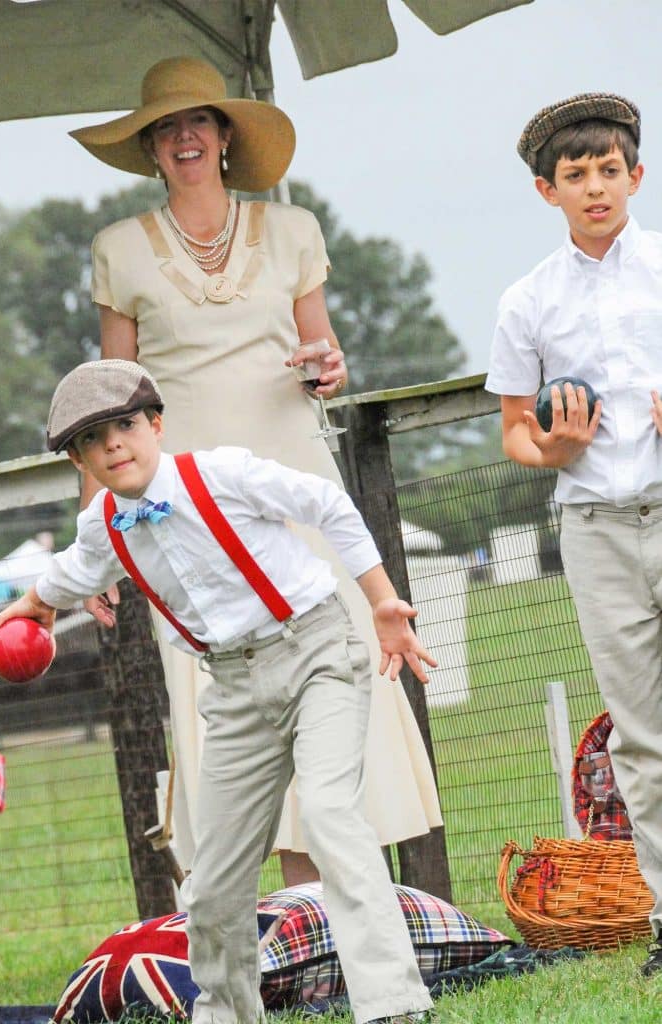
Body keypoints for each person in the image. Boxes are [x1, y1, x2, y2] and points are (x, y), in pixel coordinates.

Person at [69, 55, 442, 884]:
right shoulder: (119, 249)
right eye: (165, 128)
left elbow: (324, 352)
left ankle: (356, 901)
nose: (183, 137)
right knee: (223, 685)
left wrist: (327, 368)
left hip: (292, 478)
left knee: (335, 662)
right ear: (152, 151)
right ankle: (296, 914)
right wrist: (93, 530)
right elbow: (106, 400)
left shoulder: (294, 230)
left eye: (197, 120)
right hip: (181, 498)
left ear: (226, 134)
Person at [0, 360, 436, 1024]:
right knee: (214, 874)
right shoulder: (106, 524)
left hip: (315, 650)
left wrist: (381, 603)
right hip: (231, 688)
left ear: (155, 425)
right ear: (81, 461)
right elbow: (74, 569)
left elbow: (327, 503)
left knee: (328, 817)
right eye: (93, 439)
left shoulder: (222, 473)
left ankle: (393, 1005)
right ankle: (226, 1012)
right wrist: (33, 606)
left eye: (124, 425)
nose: (114, 444)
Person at [486, 92, 662, 977]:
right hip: (594, 525)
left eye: (607, 171)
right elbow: (516, 432)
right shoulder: (528, 301)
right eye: (573, 175)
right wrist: (553, 445)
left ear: (635, 176)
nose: (593, 188)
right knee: (639, 735)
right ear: (544, 191)